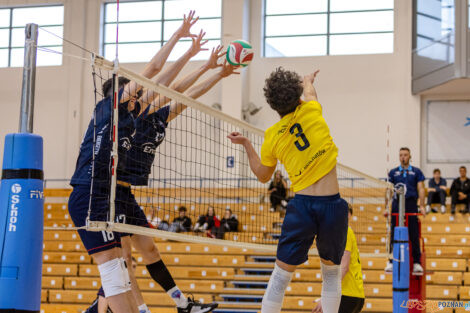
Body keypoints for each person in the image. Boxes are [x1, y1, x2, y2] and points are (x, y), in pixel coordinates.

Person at [106, 33, 238, 313]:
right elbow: (172, 83)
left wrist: (219, 74)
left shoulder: (160, 118)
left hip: (127, 193)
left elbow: (187, 94)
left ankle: (181, 304)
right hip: (110, 193)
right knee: (124, 260)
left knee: (150, 251)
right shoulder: (134, 115)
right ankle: (139, 310)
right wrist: (196, 58)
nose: (146, 95)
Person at [228, 68, 349, 313]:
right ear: (298, 98)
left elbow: (263, 176)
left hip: (302, 206)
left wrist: (247, 145)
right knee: (331, 274)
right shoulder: (312, 110)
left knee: (281, 276)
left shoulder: (272, 137)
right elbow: (311, 92)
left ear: (273, 105)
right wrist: (307, 81)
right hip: (332, 205)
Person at [312, 204, 365, 313]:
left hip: (346, 295)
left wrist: (327, 295)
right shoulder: (340, 231)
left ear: (348, 215)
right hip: (353, 294)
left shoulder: (344, 231)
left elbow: (344, 267)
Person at [384, 147, 425, 275]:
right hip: (397, 204)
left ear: (410, 156)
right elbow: (388, 190)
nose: (403, 157)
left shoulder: (416, 171)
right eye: (401, 155)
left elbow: (421, 189)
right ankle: (391, 261)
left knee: (414, 233)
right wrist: (386, 207)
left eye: (405, 155)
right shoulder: (393, 172)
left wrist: (422, 205)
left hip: (411, 204)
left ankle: (417, 263)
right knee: (394, 232)